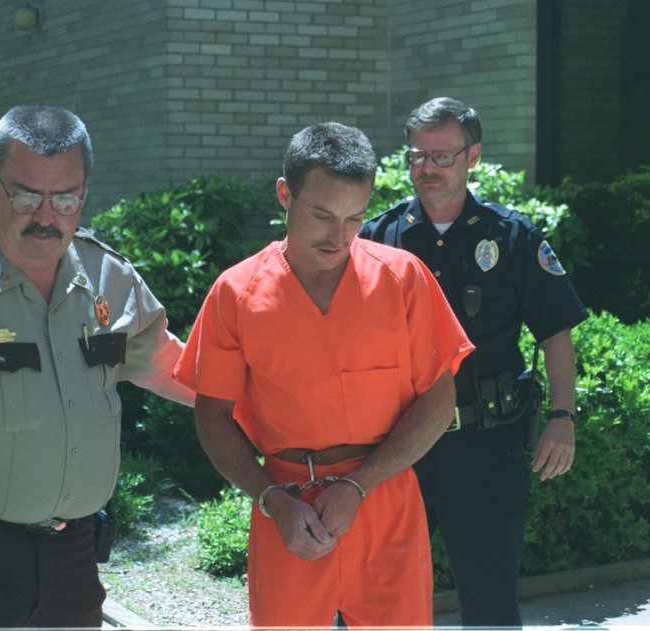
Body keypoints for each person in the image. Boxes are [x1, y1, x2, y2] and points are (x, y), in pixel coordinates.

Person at [0, 105, 194, 628]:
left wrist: (269, 405)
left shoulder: (107, 277)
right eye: (26, 195)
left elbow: (168, 367)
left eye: (65, 197)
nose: (46, 216)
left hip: (72, 556)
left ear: (85, 191)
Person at [173, 121, 473, 628]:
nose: (340, 237)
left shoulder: (403, 279)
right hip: (287, 509)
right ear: (285, 195)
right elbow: (212, 416)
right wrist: (271, 500)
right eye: (322, 215)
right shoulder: (236, 293)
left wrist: (358, 485)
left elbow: (440, 400)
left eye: (356, 218)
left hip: (385, 500)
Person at [359, 96, 588, 627]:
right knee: (376, 589)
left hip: (487, 443)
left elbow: (555, 330)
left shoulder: (512, 236)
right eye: (418, 155)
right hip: (397, 444)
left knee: (490, 601)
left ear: (473, 156)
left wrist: (562, 418)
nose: (428, 168)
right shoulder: (377, 237)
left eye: (443, 156)